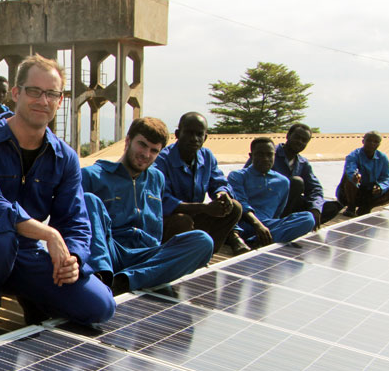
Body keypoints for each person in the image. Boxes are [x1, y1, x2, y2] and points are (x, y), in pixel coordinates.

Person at [0, 54, 115, 342]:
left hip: (24, 256)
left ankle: (34, 296)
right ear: (16, 94)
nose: (43, 100)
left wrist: (72, 256)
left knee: (100, 307)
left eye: (51, 94)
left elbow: (75, 220)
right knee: (0, 237)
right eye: (34, 91)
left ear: (60, 100)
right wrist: (48, 234)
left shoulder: (65, 157)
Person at [82, 117, 214, 295]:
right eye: (142, 145)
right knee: (89, 200)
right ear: (128, 141)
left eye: (154, 150)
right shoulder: (92, 176)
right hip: (111, 251)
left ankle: (122, 282)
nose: (146, 154)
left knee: (203, 241)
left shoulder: (157, 178)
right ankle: (103, 278)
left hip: (147, 256)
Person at [154, 112, 248, 254]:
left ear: (205, 137)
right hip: (166, 224)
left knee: (234, 207)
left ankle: (206, 252)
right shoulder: (161, 160)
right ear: (178, 134)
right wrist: (203, 208)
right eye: (189, 133)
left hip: (196, 217)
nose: (194, 139)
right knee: (182, 221)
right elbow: (163, 201)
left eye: (199, 134)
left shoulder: (207, 156)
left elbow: (219, 182)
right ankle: (175, 256)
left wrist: (221, 195)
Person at [228, 137, 315, 246]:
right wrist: (258, 225)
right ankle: (268, 238)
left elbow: (278, 213)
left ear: (274, 156)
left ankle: (258, 240)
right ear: (251, 156)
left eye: (269, 155)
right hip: (244, 225)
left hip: (268, 226)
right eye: (260, 154)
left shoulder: (283, 181)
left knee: (308, 218)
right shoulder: (237, 176)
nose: (265, 159)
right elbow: (241, 204)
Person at [257, 123, 341, 227]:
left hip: (290, 205)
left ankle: (294, 223)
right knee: (296, 182)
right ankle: (280, 224)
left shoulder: (302, 163)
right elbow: (247, 175)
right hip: (266, 204)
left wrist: (315, 208)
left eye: (304, 140)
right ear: (288, 136)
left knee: (332, 207)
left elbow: (315, 188)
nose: (299, 142)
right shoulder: (268, 152)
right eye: (297, 137)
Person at [336, 131, 389, 216]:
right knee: (349, 178)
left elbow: (386, 178)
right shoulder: (354, 155)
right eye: (369, 140)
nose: (372, 143)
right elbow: (350, 168)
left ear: (379, 144)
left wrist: (380, 187)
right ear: (363, 141)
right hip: (351, 193)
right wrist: (355, 176)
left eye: (376, 142)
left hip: (369, 194)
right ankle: (351, 207)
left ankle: (366, 208)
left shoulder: (383, 158)